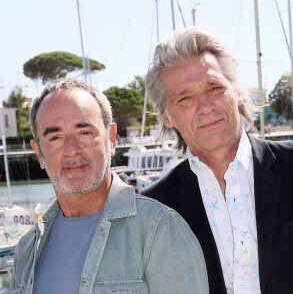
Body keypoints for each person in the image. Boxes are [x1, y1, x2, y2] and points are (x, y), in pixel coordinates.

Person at [5, 79, 209, 294]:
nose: (72, 149)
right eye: (55, 137)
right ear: (38, 153)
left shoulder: (160, 230)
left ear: (111, 139)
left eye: (84, 133)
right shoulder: (27, 249)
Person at [143, 25, 293, 294]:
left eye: (214, 87)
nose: (205, 106)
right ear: (167, 116)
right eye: (185, 97)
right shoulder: (155, 208)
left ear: (237, 93)